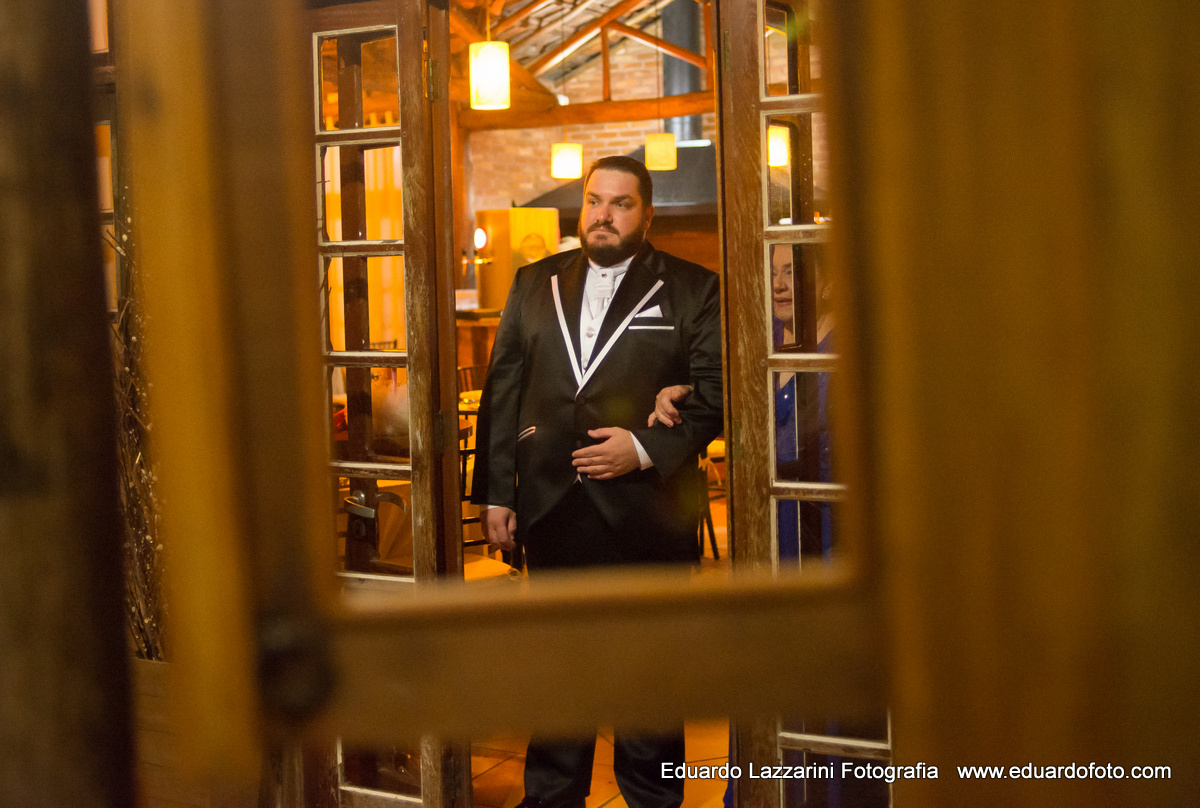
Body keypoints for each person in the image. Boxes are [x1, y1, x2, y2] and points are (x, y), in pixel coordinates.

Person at [470, 155, 724, 808]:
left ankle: (653, 800)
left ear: (647, 214)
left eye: (621, 203)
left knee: (647, 685)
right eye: (594, 201)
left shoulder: (695, 288)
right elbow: (504, 388)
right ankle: (551, 798)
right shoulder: (534, 282)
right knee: (559, 678)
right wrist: (498, 492)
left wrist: (642, 447)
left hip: (647, 512)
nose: (603, 215)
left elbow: (720, 391)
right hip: (554, 509)